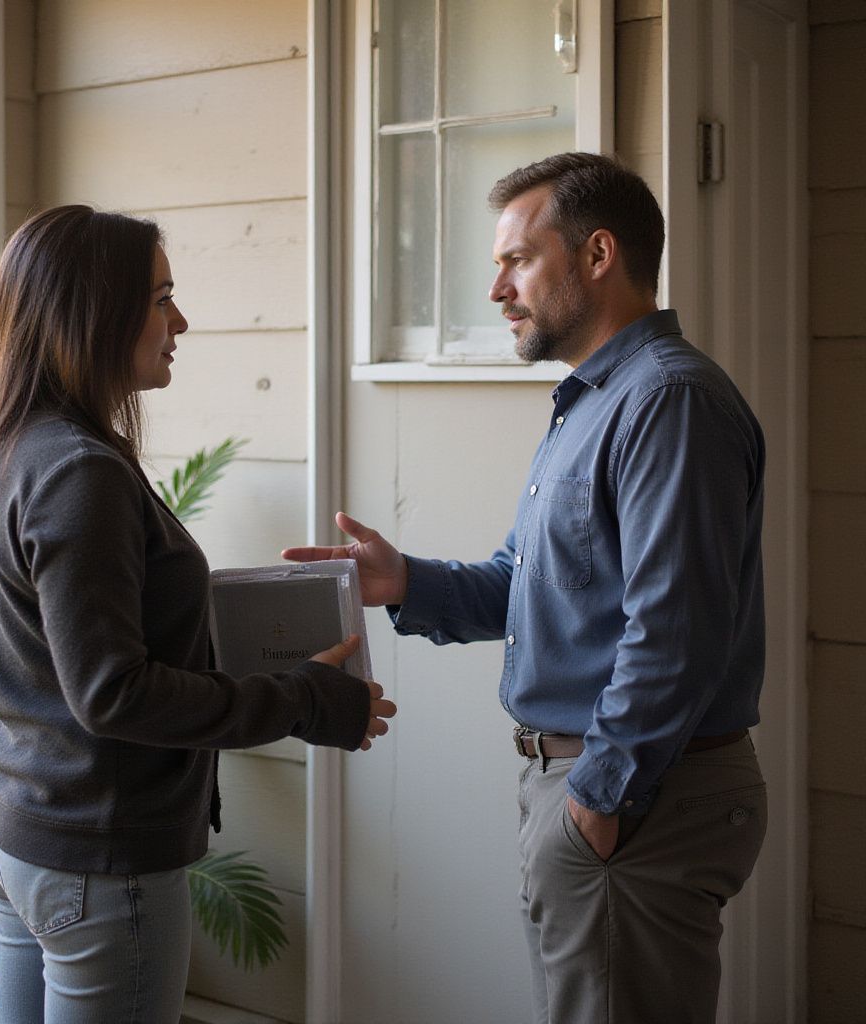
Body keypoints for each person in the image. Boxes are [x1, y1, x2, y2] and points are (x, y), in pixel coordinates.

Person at [283, 152, 767, 1024]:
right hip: (602, 791)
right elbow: (529, 583)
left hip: (637, 796)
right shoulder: (591, 403)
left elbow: (677, 633)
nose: (497, 289)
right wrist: (403, 581)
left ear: (597, 255)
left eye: (517, 260)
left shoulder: (669, 402)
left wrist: (596, 803)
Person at [0, 204, 396, 1024]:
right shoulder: (79, 470)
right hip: (96, 861)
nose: (180, 321)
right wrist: (304, 698)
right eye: (160, 299)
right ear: (95, 312)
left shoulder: (5, 448)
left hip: (16, 835)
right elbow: (114, 694)